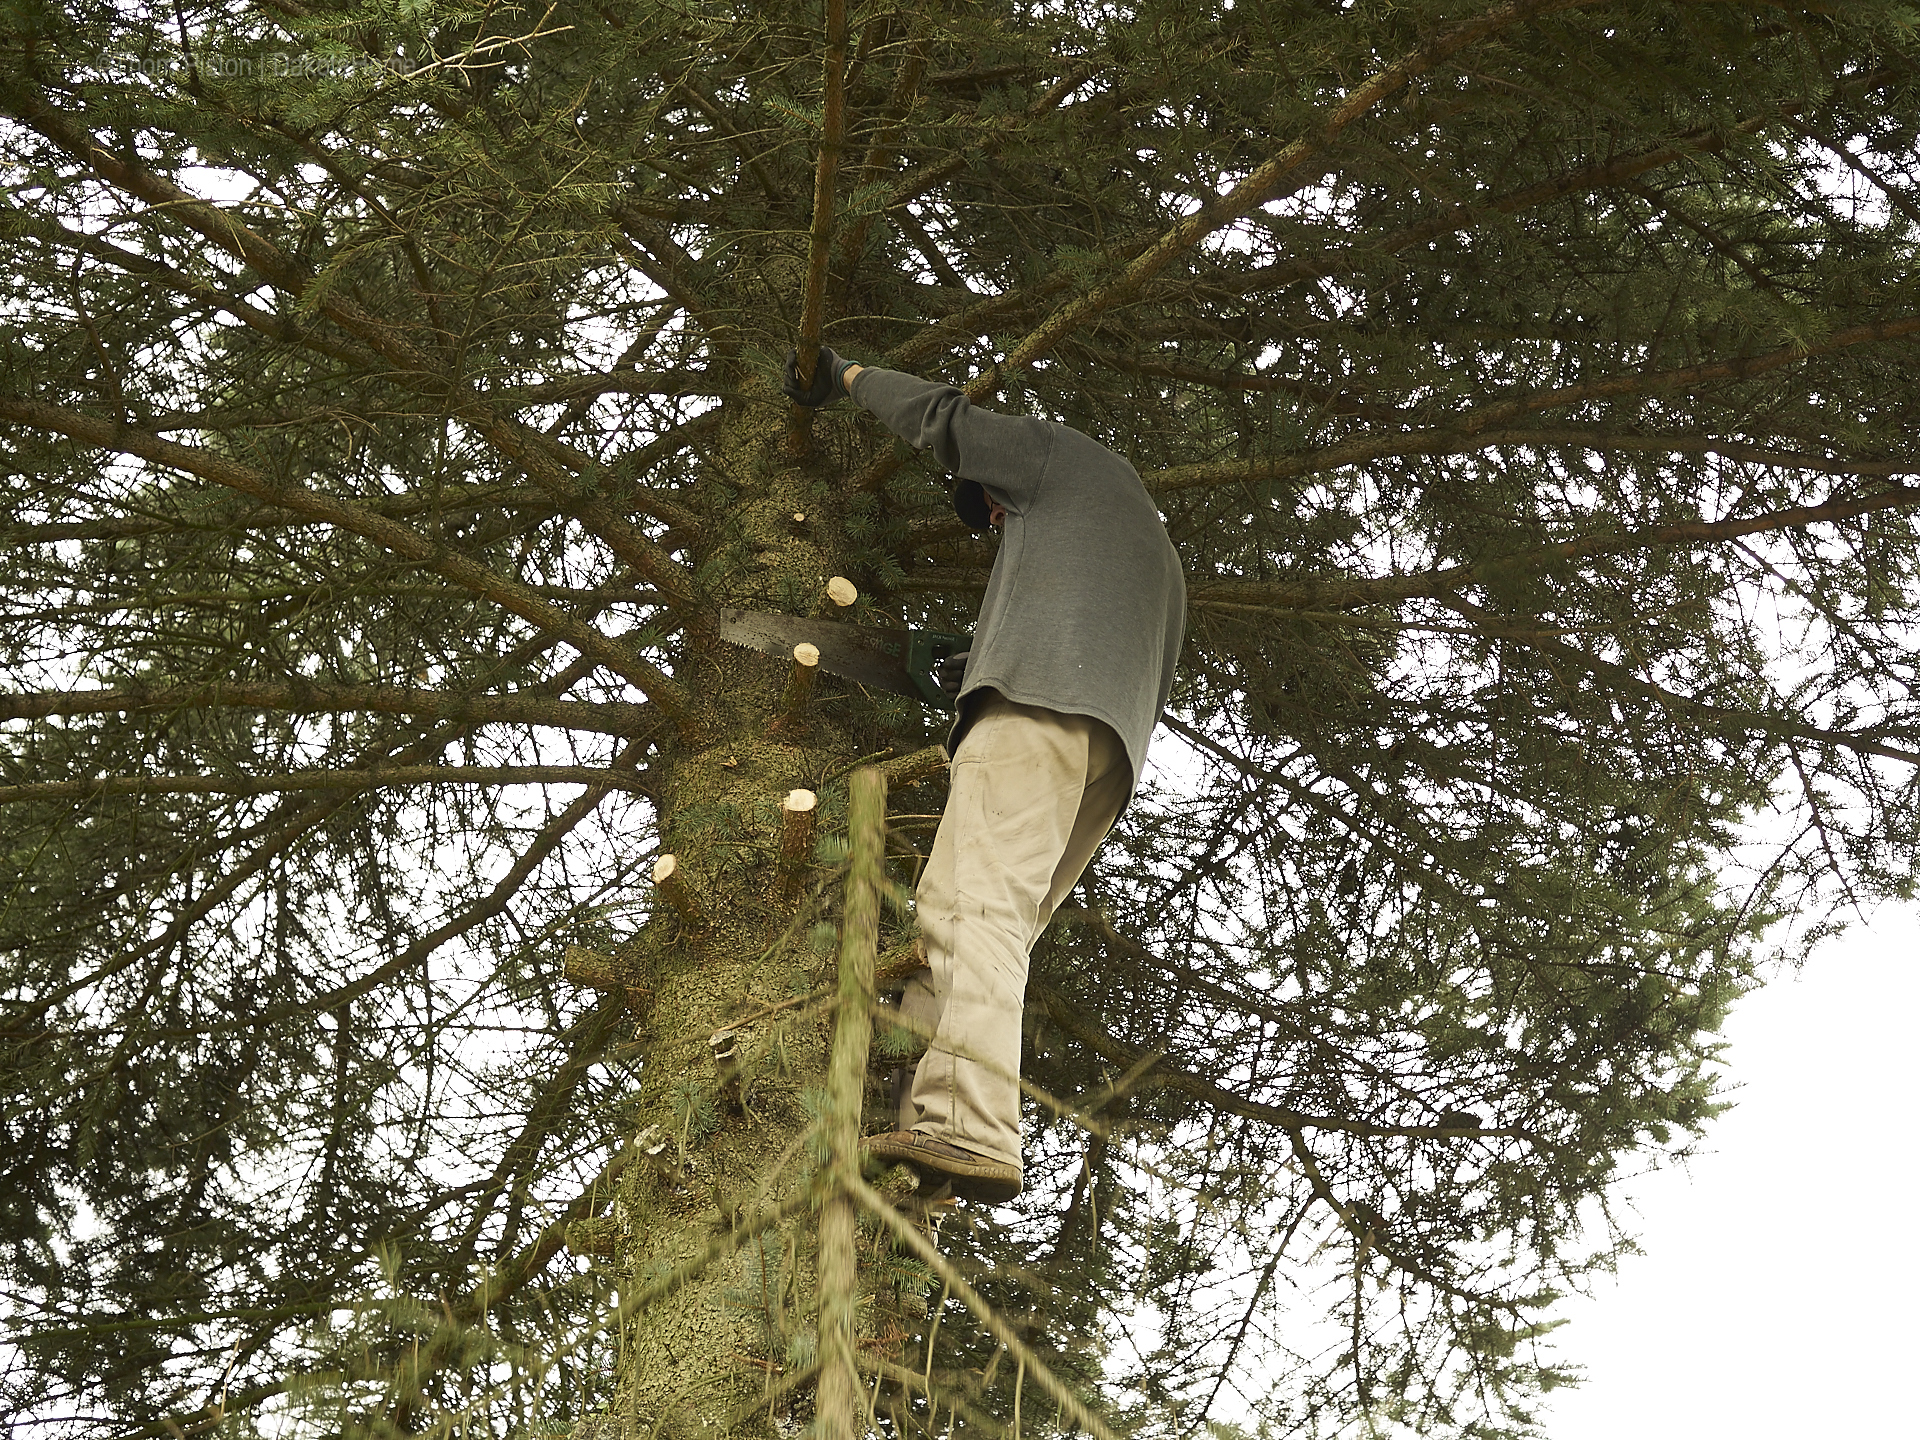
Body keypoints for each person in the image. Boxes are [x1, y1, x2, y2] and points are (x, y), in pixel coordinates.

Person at [782, 345, 1185, 1202]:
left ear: (1007, 489)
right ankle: (928, 1133)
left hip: (1038, 710)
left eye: (997, 516)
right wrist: (971, 660)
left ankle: (970, 1126)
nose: (997, 529)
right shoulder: (1149, 557)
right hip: (1105, 753)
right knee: (972, 926)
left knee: (971, 914)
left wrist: (844, 376)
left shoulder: (1058, 458)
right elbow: (1093, 643)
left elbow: (947, 422)